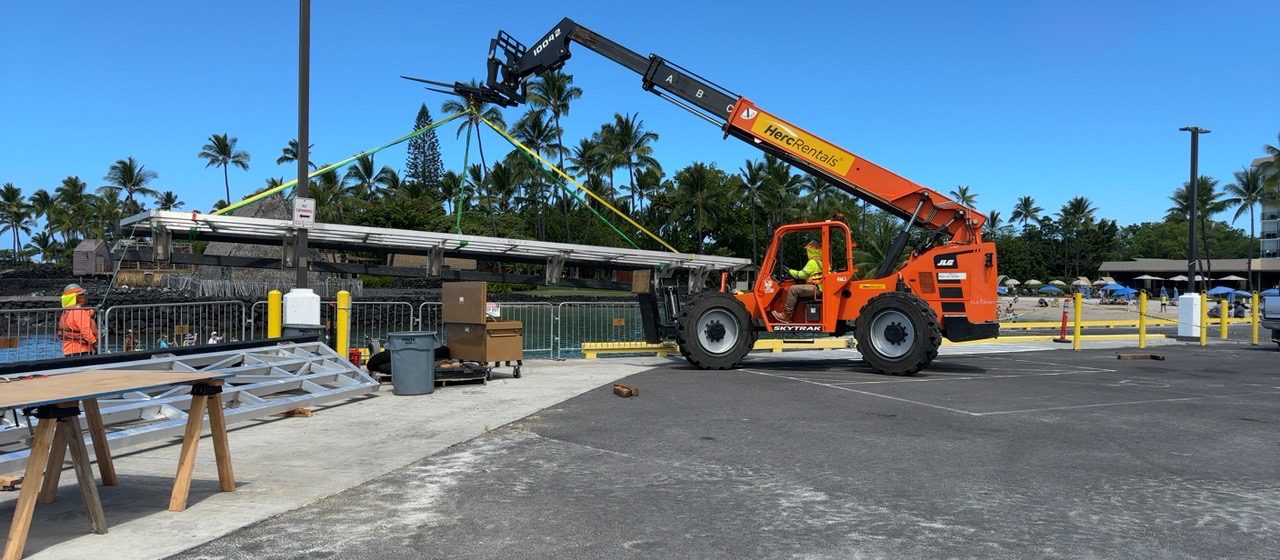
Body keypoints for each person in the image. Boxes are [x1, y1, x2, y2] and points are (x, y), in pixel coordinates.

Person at [771, 239, 823, 323]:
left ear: (812, 251)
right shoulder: (820, 262)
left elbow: (801, 275)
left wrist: (789, 271)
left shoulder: (813, 262)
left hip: (817, 288)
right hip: (818, 287)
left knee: (793, 289)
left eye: (808, 250)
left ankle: (786, 315)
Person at [57, 284, 98, 357]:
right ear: (77, 297)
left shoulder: (67, 311)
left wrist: (91, 311)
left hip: (68, 350)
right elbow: (85, 331)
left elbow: (77, 319)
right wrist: (95, 344)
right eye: (81, 295)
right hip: (81, 351)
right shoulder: (79, 312)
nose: (84, 297)